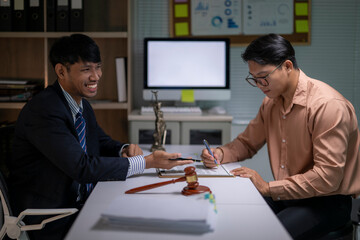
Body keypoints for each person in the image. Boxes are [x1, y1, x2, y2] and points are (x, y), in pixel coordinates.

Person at [7, 34, 192, 240]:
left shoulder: (80, 103)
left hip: (81, 203)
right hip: (51, 218)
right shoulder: (44, 109)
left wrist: (123, 148)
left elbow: (100, 142)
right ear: (61, 71)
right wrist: (145, 163)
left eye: (98, 67)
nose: (96, 76)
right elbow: (82, 167)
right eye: (86, 69)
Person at [201, 34, 360, 240]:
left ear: (287, 66)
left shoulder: (327, 106)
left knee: (265, 235)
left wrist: (267, 187)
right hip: (288, 194)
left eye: (264, 76)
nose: (260, 85)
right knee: (231, 219)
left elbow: (327, 178)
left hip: (327, 201)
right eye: (254, 79)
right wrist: (220, 153)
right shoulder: (271, 103)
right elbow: (247, 143)